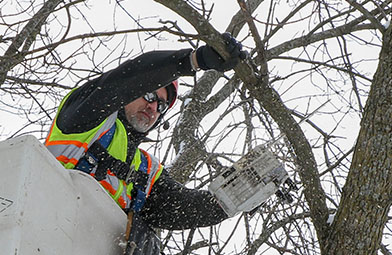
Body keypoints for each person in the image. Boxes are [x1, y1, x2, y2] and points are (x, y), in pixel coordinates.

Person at [45, 33, 248, 230]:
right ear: (133, 90)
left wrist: (237, 194)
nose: (153, 108)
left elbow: (183, 208)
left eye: (161, 106)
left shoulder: (145, 169)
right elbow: (125, 79)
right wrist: (194, 60)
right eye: (149, 95)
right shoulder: (89, 118)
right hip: (41, 223)